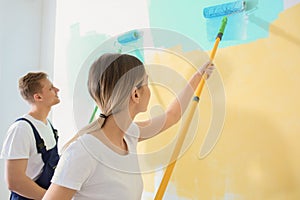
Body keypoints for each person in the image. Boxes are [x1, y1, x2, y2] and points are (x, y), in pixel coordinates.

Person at [42, 53, 214, 200]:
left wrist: (198, 77)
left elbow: (171, 116)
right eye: (147, 83)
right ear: (136, 94)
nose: (149, 90)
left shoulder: (129, 134)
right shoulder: (84, 151)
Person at [1, 72, 60, 200]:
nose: (57, 90)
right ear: (38, 97)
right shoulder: (21, 129)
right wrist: (51, 198)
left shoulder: (47, 124)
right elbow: (15, 182)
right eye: (51, 88)